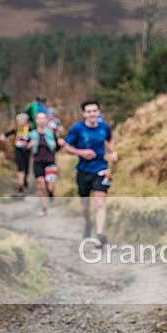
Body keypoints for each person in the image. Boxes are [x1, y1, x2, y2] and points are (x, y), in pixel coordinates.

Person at [62, 100, 118, 244]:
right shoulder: (77, 129)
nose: (92, 114)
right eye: (89, 111)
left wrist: (113, 152)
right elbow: (67, 147)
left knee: (100, 202)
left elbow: (110, 140)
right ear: (84, 114)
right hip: (83, 170)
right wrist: (81, 152)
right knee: (85, 206)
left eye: (94, 111)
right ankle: (88, 223)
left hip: (101, 168)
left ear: (98, 112)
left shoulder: (104, 127)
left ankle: (100, 235)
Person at [27, 111, 65, 216]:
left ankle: (51, 194)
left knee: (50, 187)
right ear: (36, 121)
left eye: (43, 118)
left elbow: (57, 147)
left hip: (50, 162)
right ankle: (44, 208)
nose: (41, 120)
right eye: (39, 118)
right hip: (38, 162)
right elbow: (25, 148)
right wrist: (29, 146)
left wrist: (60, 144)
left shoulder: (51, 133)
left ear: (47, 120)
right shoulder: (31, 133)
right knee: (41, 186)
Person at [0, 112, 32, 194]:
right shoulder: (16, 130)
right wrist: (3, 137)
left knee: (26, 167)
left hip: (27, 151)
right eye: (21, 120)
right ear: (18, 121)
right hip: (18, 150)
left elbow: (36, 136)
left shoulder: (30, 129)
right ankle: (20, 184)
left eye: (24, 120)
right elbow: (5, 135)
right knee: (20, 165)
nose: (22, 121)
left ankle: (25, 179)